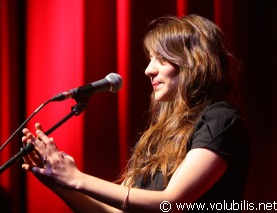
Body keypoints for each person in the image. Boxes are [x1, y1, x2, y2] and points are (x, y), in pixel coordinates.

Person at [21, 14, 250, 212]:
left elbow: (171, 203)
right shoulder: (159, 135)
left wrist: (77, 178)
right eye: (151, 59)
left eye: (161, 59)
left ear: (194, 62)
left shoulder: (220, 119)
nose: (148, 70)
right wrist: (60, 183)